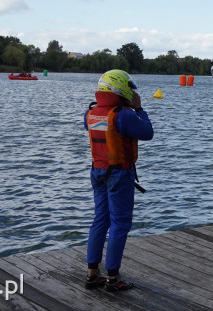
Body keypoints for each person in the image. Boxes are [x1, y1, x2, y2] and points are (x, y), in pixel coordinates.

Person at [84, 69, 155, 292]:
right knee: (120, 224)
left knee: (100, 220)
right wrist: (140, 109)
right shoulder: (123, 114)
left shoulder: (92, 113)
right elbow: (147, 132)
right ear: (120, 88)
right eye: (129, 87)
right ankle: (113, 278)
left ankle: (92, 274)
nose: (132, 92)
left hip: (97, 172)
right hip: (118, 175)